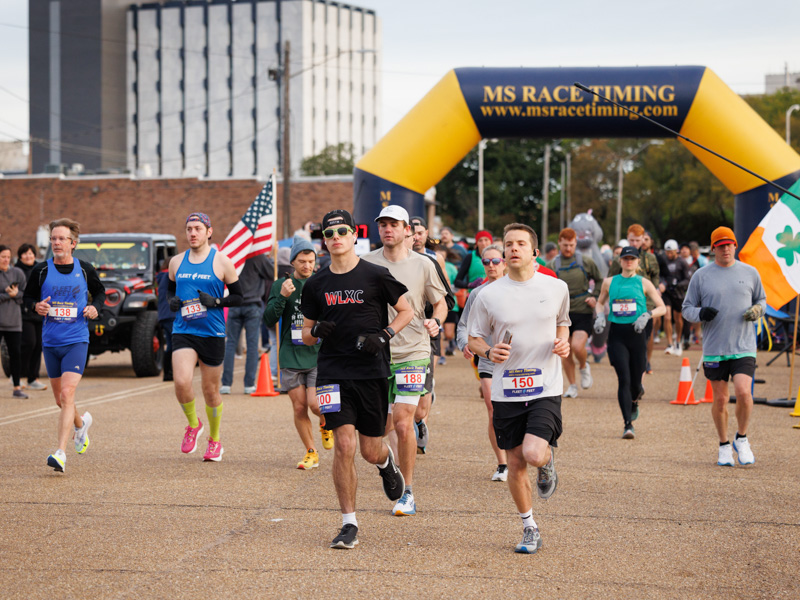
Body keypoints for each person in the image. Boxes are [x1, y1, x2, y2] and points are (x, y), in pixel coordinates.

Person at [300, 209, 413, 549]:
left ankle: (386, 462)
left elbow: (407, 310)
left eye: (342, 231)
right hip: (333, 373)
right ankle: (349, 523)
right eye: (329, 233)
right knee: (344, 445)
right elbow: (305, 333)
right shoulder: (317, 283)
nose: (336, 237)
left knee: (369, 450)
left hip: (371, 371)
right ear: (324, 240)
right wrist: (316, 329)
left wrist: (385, 334)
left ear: (353, 236)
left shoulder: (376, 275)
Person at [468, 223, 571, 555]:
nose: (513, 249)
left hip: (545, 384)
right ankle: (529, 527)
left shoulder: (556, 287)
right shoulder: (488, 295)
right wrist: (488, 351)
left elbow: (564, 322)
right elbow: (473, 339)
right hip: (506, 389)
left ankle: (548, 460)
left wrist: (564, 344)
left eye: (521, 244)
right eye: (508, 243)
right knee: (514, 463)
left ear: (534, 252)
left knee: (533, 454)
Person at [363, 206, 447, 516]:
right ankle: (389, 468)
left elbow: (440, 303)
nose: (387, 229)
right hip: (378, 354)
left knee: (402, 421)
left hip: (414, 350)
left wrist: (436, 321)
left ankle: (408, 492)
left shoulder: (424, 264)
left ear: (406, 230)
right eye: (382, 223)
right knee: (374, 434)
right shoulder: (366, 262)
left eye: (393, 224)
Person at [23, 218, 105, 473]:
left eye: (62, 239)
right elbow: (27, 298)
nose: (57, 243)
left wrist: (95, 308)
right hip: (51, 341)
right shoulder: (41, 270)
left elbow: (101, 292)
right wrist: (36, 306)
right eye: (54, 239)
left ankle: (60, 453)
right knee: (61, 400)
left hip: (76, 340)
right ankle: (81, 426)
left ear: (73, 243)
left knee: (68, 394)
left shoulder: (85, 269)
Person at [682, 226, 765, 467]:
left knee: (744, 394)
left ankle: (742, 437)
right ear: (714, 249)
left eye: (729, 244)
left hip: (744, 345)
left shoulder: (750, 272)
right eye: (720, 245)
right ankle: (724, 445)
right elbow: (687, 309)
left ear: (735, 246)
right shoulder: (701, 276)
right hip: (715, 347)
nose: (725, 248)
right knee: (720, 400)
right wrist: (701, 313)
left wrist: (758, 310)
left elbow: (761, 300)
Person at [168, 213, 243, 462]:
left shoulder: (222, 262)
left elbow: (238, 296)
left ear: (209, 232)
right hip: (184, 330)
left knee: (210, 391)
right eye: (189, 228)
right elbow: (169, 287)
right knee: (181, 382)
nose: (192, 233)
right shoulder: (176, 262)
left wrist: (217, 302)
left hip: (212, 332)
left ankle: (215, 441)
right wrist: (171, 301)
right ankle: (193, 425)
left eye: (198, 228)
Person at [263, 235, 330, 470]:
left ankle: (324, 422)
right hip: (290, 354)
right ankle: (311, 452)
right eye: (302, 261)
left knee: (315, 404)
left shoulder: (322, 282)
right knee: (299, 406)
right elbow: (269, 318)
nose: (307, 266)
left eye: (311, 261)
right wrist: (282, 296)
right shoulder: (281, 285)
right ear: (292, 262)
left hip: (317, 353)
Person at [594, 246, 665, 438]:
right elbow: (600, 302)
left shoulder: (644, 283)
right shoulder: (609, 282)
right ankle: (628, 424)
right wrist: (600, 316)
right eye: (625, 258)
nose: (628, 261)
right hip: (617, 334)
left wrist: (647, 315)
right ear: (620, 261)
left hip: (637, 335)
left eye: (632, 258)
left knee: (635, 383)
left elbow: (662, 307)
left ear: (638, 262)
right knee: (623, 379)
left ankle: (635, 399)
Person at [456, 242, 508, 481]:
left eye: (495, 261)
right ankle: (502, 464)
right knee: (493, 410)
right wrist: (463, 343)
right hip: (487, 357)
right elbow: (464, 323)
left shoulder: (518, 290)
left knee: (519, 410)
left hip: (516, 360)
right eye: (486, 262)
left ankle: (525, 453)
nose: (490, 266)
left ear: (505, 263)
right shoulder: (478, 293)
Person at [547, 228, 602, 399]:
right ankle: (572, 385)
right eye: (565, 245)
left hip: (582, 310)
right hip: (561, 314)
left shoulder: (585, 261)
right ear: (559, 244)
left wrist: (595, 297)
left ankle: (584, 367)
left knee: (578, 347)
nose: (568, 249)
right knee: (565, 351)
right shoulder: (552, 265)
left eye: (571, 245)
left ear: (576, 243)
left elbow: (600, 280)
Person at [609, 224, 660, 373]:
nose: (635, 244)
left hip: (646, 305)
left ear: (643, 240)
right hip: (623, 307)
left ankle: (645, 362)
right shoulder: (621, 258)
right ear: (627, 238)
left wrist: (655, 289)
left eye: (638, 240)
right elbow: (610, 279)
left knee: (644, 338)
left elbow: (655, 276)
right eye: (632, 240)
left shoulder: (650, 258)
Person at [220, 253, 273, 395]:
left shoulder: (234, 254)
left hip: (234, 304)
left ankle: (226, 384)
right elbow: (272, 273)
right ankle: (249, 384)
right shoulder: (258, 257)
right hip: (253, 304)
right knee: (252, 345)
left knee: (230, 344)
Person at [16, 244, 47, 391]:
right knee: (29, 343)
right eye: (25, 254)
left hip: (39, 313)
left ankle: (33, 378)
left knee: (39, 345)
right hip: (23, 314)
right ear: (20, 256)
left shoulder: (40, 270)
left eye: (31, 253)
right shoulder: (16, 271)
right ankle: (18, 375)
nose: (29, 256)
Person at [0, 245, 29, 398]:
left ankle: (17, 387)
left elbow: (25, 294)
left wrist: (17, 294)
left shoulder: (17, 273)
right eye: (2, 256)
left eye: (8, 256)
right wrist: (8, 295)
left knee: (15, 354)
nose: (6, 260)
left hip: (14, 322)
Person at [659, 239, 691, 356]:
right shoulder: (663, 261)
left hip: (678, 293)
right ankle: (669, 343)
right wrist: (662, 283)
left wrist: (678, 285)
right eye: (667, 252)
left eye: (671, 252)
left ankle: (678, 340)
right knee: (667, 316)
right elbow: (660, 275)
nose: (669, 254)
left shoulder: (682, 262)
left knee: (678, 319)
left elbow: (688, 279)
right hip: (667, 292)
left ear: (676, 251)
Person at [156, 256, 177, 382]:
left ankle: (167, 374)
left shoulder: (160, 277)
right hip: (171, 314)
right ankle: (172, 372)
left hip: (163, 315)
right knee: (176, 345)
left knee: (169, 345)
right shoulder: (169, 276)